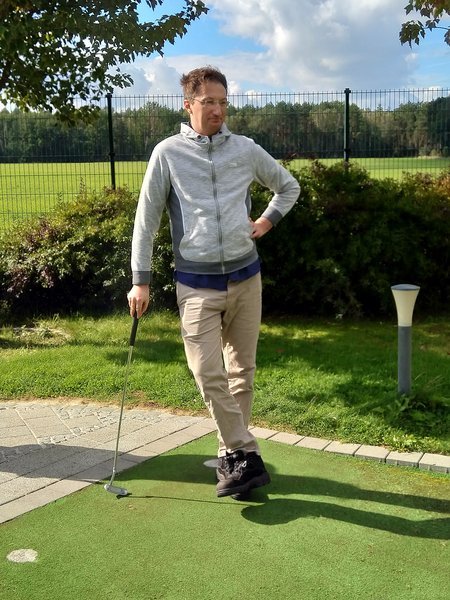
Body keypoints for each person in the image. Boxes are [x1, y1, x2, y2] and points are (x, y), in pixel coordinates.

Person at [127, 66, 300, 498]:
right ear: (188, 104)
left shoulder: (244, 149)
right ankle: (247, 452)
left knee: (241, 373)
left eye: (223, 102)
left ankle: (233, 460)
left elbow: (287, 187)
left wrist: (265, 222)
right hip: (196, 284)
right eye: (209, 102)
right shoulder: (167, 153)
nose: (218, 110)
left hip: (246, 278)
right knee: (207, 371)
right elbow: (146, 221)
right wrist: (140, 281)